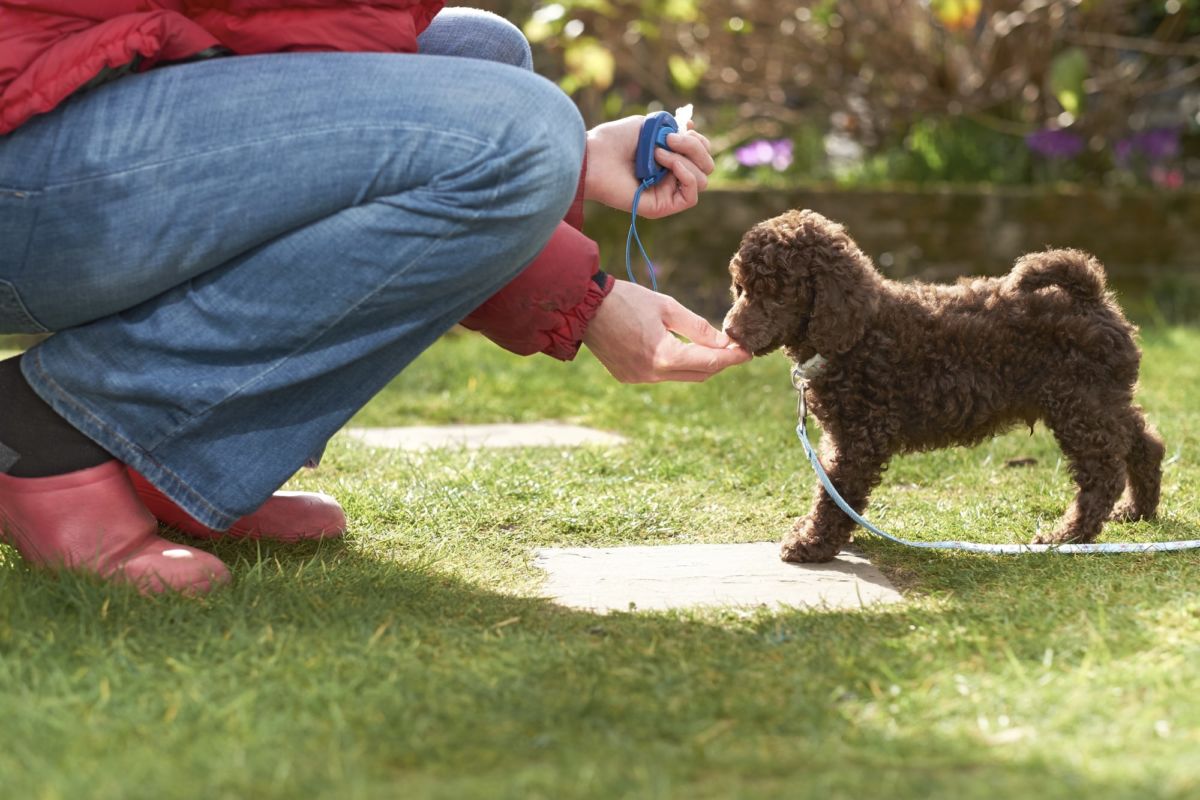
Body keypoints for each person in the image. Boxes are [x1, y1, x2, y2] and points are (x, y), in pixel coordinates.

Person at [0, 2, 750, 594]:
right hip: (23, 161)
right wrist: (585, 289)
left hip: (64, 106)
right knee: (519, 133)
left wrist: (572, 170)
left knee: (483, 55)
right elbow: (302, 48)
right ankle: (47, 431)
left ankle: (160, 460)